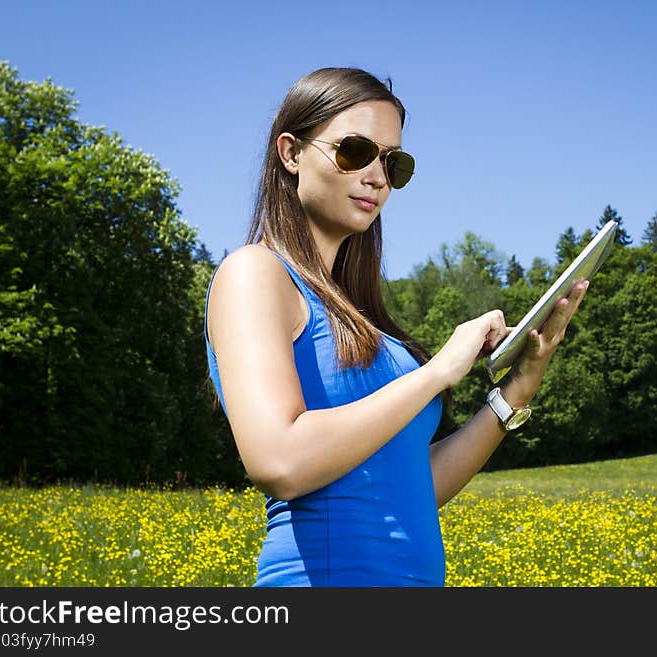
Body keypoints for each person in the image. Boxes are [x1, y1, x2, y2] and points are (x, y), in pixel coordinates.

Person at [203, 67, 588, 587]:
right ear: (291, 153)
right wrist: (436, 374)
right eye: (354, 150)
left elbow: (410, 485)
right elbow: (280, 461)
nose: (378, 177)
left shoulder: (368, 324)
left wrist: (518, 387)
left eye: (394, 163)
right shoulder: (254, 273)